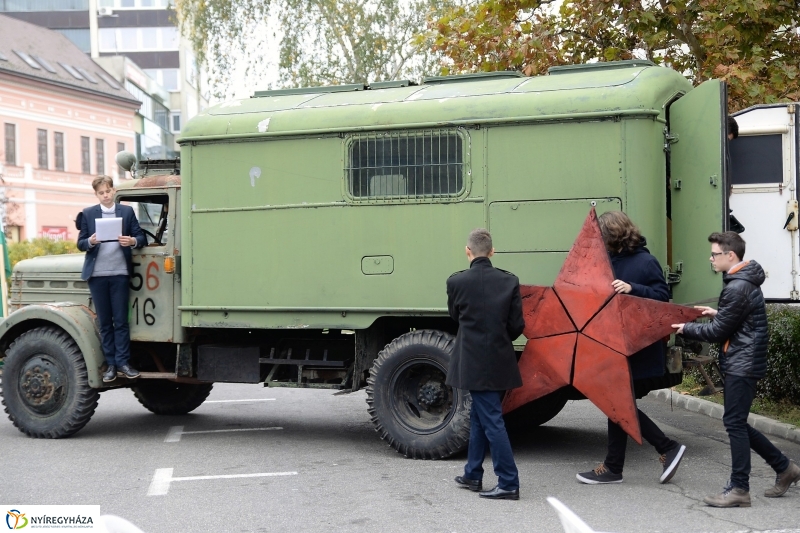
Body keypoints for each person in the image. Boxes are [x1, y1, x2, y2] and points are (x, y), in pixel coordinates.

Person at [673, 231, 800, 507]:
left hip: (743, 363)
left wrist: (687, 328)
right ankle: (785, 468)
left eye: (715, 254)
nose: (711, 258)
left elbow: (719, 333)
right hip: (744, 359)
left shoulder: (737, 286)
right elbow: (741, 320)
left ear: (730, 255)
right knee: (736, 422)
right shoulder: (743, 282)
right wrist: (717, 312)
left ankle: (740, 488)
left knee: (734, 423)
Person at [576, 211, 686, 485]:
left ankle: (664, 447)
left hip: (637, 347)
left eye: (603, 236)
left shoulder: (645, 261)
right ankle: (617, 466)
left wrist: (632, 288)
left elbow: (663, 299)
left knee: (618, 405)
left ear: (614, 235)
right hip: (611, 345)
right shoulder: (604, 262)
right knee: (618, 405)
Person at [446, 228, 525, 500]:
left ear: (468, 251)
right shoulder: (509, 281)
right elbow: (517, 326)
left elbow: (456, 318)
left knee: (491, 419)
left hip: (471, 360)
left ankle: (509, 482)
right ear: (492, 251)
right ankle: (473, 474)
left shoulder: (456, 283)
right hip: (500, 360)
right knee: (480, 416)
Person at [78, 175, 146, 382]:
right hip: (97, 276)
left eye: (108, 191)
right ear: (96, 194)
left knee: (121, 321)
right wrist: (89, 240)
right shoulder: (88, 214)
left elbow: (141, 237)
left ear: (114, 191)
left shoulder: (126, 211)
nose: (105, 195)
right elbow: (80, 243)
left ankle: (124, 363)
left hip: (119, 273)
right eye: (101, 192)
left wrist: (132, 240)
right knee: (105, 322)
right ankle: (111, 365)